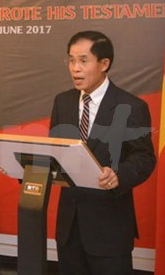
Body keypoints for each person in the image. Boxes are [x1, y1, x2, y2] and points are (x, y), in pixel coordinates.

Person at [49, 30, 156, 275]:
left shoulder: (131, 106)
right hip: (69, 227)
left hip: (110, 228)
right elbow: (55, 152)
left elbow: (144, 158)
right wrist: (22, 165)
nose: (75, 68)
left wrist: (119, 175)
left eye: (83, 61)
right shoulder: (62, 102)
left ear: (104, 63)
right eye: (71, 60)